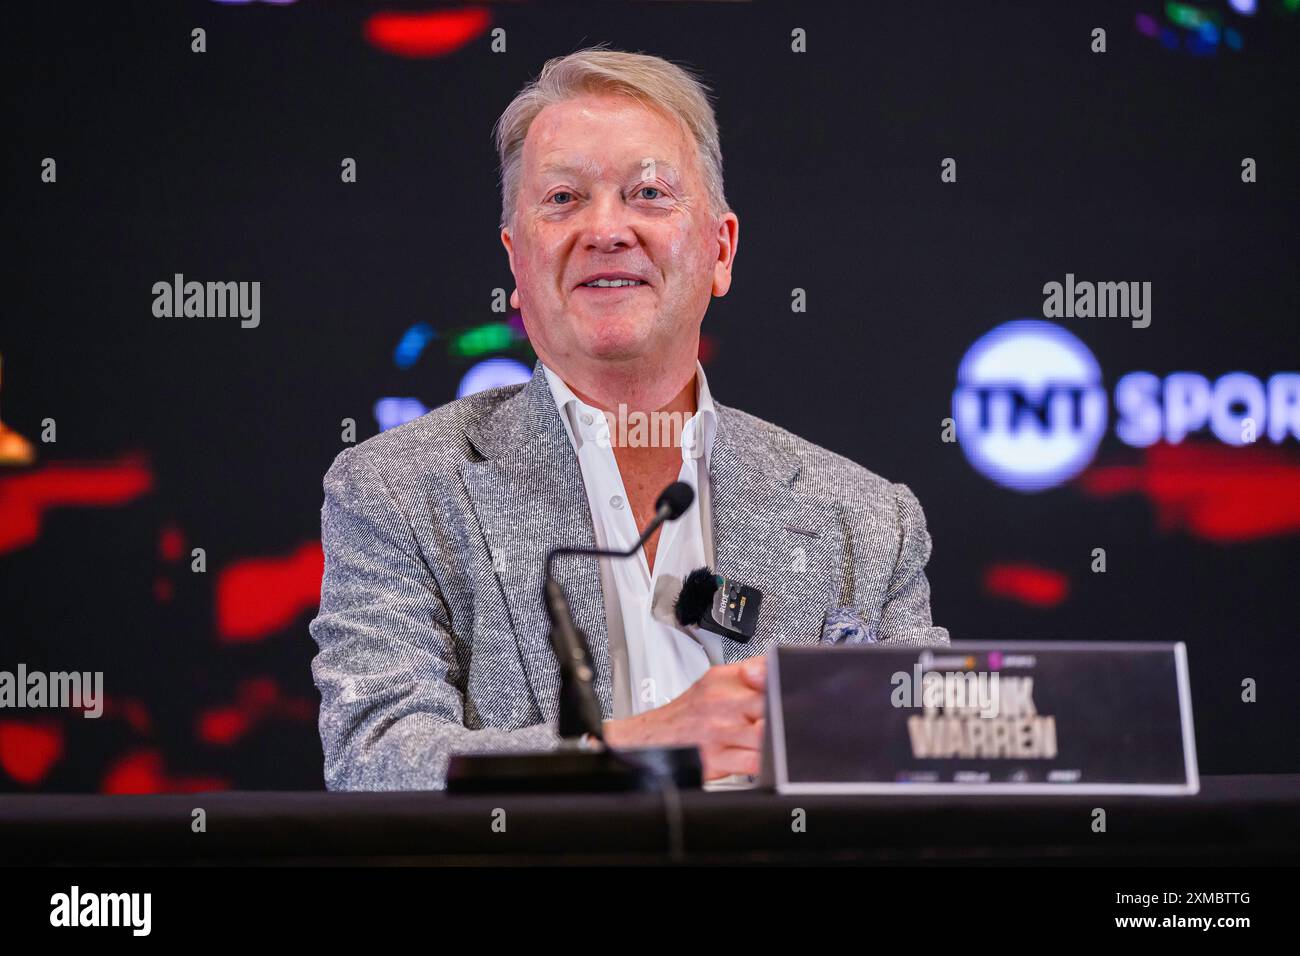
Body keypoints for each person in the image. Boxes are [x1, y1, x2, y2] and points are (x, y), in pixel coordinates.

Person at [309, 46, 949, 791]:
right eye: (563, 199)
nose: (606, 229)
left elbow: (924, 758)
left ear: (720, 250)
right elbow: (376, 757)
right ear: (515, 265)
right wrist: (633, 750)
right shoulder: (395, 491)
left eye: (648, 193)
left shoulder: (868, 521)